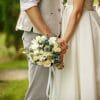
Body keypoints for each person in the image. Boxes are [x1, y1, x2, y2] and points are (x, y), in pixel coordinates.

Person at [16, 0, 65, 100]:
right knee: (38, 92)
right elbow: (28, 4)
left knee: (52, 91)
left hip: (53, 37)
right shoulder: (47, 38)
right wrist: (50, 37)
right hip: (40, 36)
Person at [51, 0, 100, 100]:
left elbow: (77, 11)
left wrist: (64, 41)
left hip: (82, 27)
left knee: (83, 69)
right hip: (75, 23)